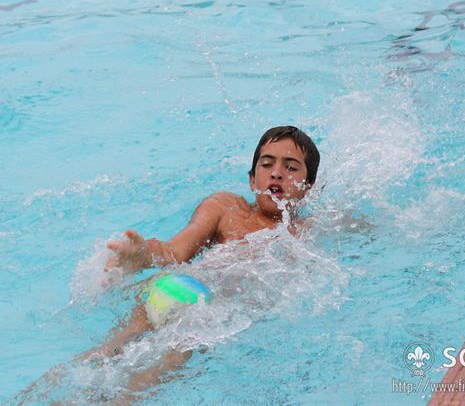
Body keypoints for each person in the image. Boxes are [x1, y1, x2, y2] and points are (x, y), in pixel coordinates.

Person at [87, 125, 321, 392]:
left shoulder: (307, 231)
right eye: (267, 164)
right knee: (111, 349)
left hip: (211, 307)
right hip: (180, 289)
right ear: (252, 180)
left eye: (291, 168)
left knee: (167, 360)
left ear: (308, 188)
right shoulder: (227, 208)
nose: (276, 173)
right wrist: (143, 255)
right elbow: (173, 251)